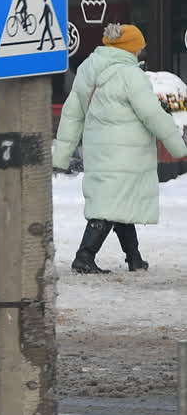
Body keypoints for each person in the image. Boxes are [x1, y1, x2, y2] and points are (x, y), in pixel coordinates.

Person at [53, 22, 187, 273]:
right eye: (138, 50)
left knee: (117, 202)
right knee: (110, 207)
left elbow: (72, 114)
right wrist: (178, 146)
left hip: (99, 151)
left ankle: (134, 258)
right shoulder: (130, 75)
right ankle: (84, 256)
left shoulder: (87, 69)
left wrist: (61, 154)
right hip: (126, 153)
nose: (139, 54)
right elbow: (152, 114)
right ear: (129, 49)